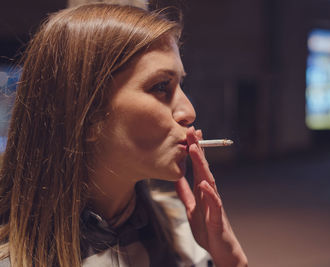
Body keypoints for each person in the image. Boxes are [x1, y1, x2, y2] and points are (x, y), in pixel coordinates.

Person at [0, 3, 248, 267]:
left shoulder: (183, 229)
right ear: (87, 114)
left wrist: (230, 257)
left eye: (180, 85)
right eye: (161, 86)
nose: (189, 111)